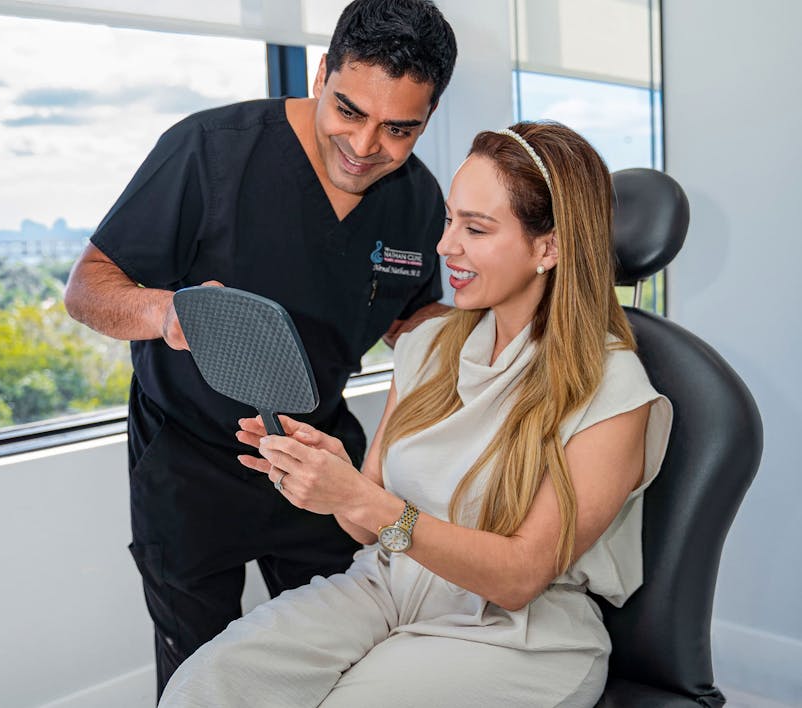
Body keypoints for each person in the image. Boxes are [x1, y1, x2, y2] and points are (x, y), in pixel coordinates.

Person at [158, 121, 674, 707]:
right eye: (449, 220)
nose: (445, 247)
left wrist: (363, 499)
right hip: (386, 586)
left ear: (548, 247)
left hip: (516, 632)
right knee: (205, 685)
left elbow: (519, 577)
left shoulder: (611, 391)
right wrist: (334, 484)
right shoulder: (427, 347)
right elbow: (364, 522)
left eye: (475, 229)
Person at [63, 0, 457, 696]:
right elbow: (87, 288)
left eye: (400, 129)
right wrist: (167, 311)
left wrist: (463, 339)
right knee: (200, 674)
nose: (366, 146)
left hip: (317, 463)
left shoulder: (419, 201)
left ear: (427, 118)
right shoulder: (208, 150)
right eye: (349, 110)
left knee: (339, 659)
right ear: (320, 72)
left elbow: (409, 317)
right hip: (189, 462)